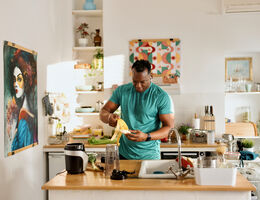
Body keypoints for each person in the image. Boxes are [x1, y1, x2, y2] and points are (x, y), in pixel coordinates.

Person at [99, 59, 174, 160]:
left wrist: (146, 136)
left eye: (143, 82)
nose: (138, 86)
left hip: (149, 156)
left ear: (151, 76)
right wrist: (108, 118)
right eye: (135, 81)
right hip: (123, 154)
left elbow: (169, 128)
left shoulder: (161, 96)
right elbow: (103, 112)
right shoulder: (122, 91)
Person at [9, 50, 37, 152]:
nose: (15, 84)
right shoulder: (17, 108)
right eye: (14, 79)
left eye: (19, 79)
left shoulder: (24, 114)